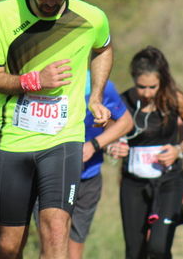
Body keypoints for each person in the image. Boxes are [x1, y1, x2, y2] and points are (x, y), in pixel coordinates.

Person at [0, 0, 113, 259]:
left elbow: (104, 49)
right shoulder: (3, 13)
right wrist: (33, 81)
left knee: (55, 228)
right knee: (9, 245)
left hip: (63, 138)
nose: (51, 0)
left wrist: (95, 96)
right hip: (15, 140)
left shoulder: (91, 17)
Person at [113, 46, 183, 259]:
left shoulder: (175, 99)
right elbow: (108, 133)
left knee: (158, 248)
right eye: (140, 87)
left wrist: (178, 150)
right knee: (134, 252)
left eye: (152, 87)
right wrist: (113, 146)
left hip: (168, 182)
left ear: (162, 80)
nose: (146, 93)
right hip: (133, 183)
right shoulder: (123, 102)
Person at [68, 72, 133, 259]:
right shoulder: (46, 80)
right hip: (52, 178)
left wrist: (97, 144)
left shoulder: (100, 85)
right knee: (53, 243)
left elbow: (125, 121)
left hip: (89, 176)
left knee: (76, 241)